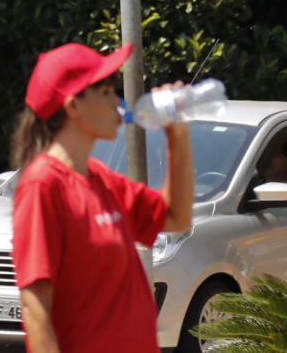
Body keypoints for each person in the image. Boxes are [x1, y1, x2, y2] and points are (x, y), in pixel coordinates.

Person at [10, 43, 195, 353]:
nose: (119, 102)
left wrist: (177, 135)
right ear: (73, 107)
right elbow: (35, 310)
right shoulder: (43, 185)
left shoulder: (102, 179)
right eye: (107, 92)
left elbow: (177, 217)